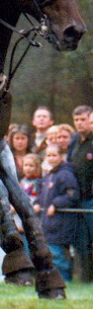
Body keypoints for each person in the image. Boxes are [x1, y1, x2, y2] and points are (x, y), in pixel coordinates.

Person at [34, 144, 79, 282]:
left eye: (54, 155)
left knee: (59, 256)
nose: (51, 158)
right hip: (49, 223)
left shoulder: (65, 174)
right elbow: (42, 195)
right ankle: (54, 281)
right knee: (51, 254)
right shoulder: (48, 176)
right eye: (48, 155)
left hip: (62, 222)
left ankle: (65, 281)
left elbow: (72, 194)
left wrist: (56, 203)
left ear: (61, 156)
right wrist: (37, 203)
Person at [67, 106, 93, 283]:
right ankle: (85, 280)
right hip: (77, 200)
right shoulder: (74, 141)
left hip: (91, 200)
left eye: (83, 119)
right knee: (81, 243)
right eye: (76, 120)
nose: (79, 123)